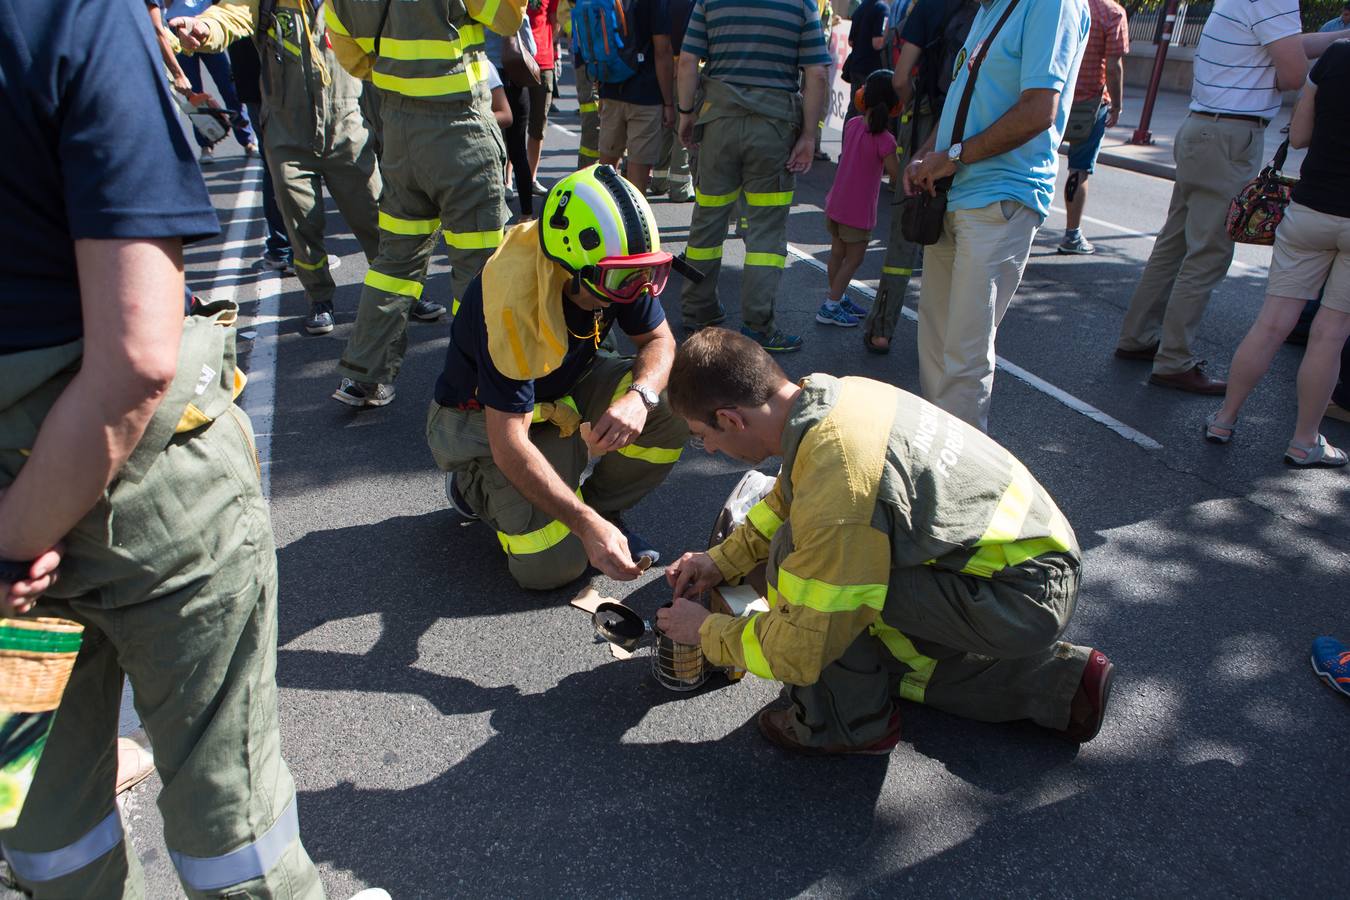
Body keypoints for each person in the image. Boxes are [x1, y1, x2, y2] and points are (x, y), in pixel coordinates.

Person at [0, 2, 380, 896]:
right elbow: (135, 360)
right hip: (147, 507)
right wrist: (13, 538)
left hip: (14, 565)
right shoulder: (70, 17)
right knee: (231, 822)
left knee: (44, 823)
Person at [656, 329, 1113, 755]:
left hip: (1018, 596)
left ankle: (845, 726)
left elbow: (800, 647)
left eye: (702, 437)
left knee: (808, 579)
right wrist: (719, 560)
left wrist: (705, 631)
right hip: (1017, 564)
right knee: (848, 604)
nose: (709, 451)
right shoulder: (833, 399)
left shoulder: (838, 481)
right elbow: (786, 499)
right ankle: (1061, 685)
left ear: (731, 419)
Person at [425, 165, 689, 590]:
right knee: (548, 570)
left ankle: (602, 512)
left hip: (562, 386)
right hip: (486, 420)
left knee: (672, 399)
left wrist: (639, 397)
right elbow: (509, 441)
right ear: (570, 269)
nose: (639, 288)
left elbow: (660, 342)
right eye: (625, 278)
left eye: (646, 274)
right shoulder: (511, 303)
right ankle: (471, 486)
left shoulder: (614, 269)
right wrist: (581, 525)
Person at [1114, 2, 1340, 395]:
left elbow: (1288, 44)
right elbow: (1293, 74)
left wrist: (1339, 39)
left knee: (1174, 245)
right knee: (1207, 255)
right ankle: (1173, 361)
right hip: (1231, 136)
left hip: (1202, 127)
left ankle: (1138, 337)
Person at [321, 0, 529, 408]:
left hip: (399, 132)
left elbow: (352, 57)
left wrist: (405, 75)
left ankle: (364, 374)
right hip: (460, 131)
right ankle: (473, 383)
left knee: (395, 263)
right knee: (478, 268)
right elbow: (507, 17)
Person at [902, 0, 1089, 431]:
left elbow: (1040, 109)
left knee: (963, 356)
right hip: (953, 191)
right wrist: (929, 154)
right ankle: (934, 459)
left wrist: (950, 157)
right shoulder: (990, 9)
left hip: (1000, 194)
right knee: (935, 345)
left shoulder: (1051, 5)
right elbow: (963, 99)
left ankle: (955, 478)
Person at [169, 1, 383, 338]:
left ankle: (403, 295)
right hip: (286, 130)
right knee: (300, 224)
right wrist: (203, 29)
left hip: (347, 127)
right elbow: (230, 14)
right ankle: (320, 299)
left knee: (374, 217)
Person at [1203, 40, 1350, 468]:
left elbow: (1300, 136)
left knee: (1271, 324)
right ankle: (1304, 441)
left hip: (1310, 209)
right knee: (1331, 334)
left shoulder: (1336, 57)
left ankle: (1224, 420)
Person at [674, 0, 831, 353]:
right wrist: (808, 136)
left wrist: (686, 113)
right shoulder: (801, 4)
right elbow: (816, 73)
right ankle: (758, 325)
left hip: (718, 125)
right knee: (765, 232)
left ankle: (698, 311)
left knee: (707, 222)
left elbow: (687, 61)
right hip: (773, 130)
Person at [863, 0, 977, 354]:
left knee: (906, 233)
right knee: (954, 240)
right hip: (969, 127)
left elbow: (899, 77)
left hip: (928, 121)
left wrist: (914, 106)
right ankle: (944, 344)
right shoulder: (987, 12)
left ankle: (882, 328)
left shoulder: (929, 7)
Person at [816, 69, 900, 328]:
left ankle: (837, 298)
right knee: (854, 259)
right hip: (858, 212)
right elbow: (896, 174)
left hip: (837, 203)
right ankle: (830, 305)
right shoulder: (885, 140)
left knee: (837, 254)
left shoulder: (852, 124)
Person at [1056, 0, 1128, 256]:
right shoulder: (1112, 13)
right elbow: (1113, 66)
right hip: (1089, 105)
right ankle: (1072, 234)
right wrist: (1117, 105)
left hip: (1053, 97)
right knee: (1078, 170)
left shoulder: (1065, 5)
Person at [227, 35, 295, 273]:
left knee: (276, 165)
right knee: (285, 166)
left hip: (256, 80)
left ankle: (284, 248)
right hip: (273, 83)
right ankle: (288, 250)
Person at [596, 0, 675, 194]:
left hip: (611, 89)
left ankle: (604, 218)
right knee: (637, 180)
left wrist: (600, 87)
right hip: (645, 95)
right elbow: (662, 51)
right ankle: (633, 224)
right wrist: (668, 103)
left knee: (605, 170)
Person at [649, 0, 697, 201]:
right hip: (685, 65)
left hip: (660, 65)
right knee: (683, 125)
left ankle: (659, 180)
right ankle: (680, 186)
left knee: (666, 124)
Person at [526, 0, 561, 196]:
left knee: (538, 124)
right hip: (516, 60)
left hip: (543, 62)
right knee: (514, 124)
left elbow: (555, 18)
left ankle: (531, 178)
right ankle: (507, 180)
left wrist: (548, 44)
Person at [845, 0, 887, 120]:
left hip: (856, 66)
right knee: (867, 111)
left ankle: (848, 138)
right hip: (871, 70)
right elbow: (877, 43)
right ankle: (861, 138)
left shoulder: (860, 7)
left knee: (853, 108)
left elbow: (851, 41)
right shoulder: (882, 9)